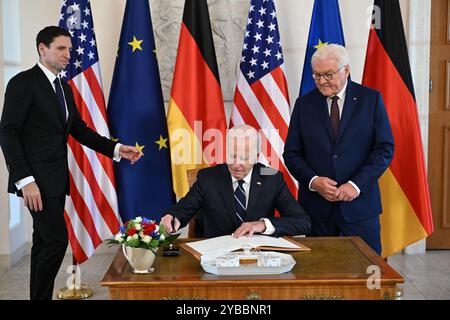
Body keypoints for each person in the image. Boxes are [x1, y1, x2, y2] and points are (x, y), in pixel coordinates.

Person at [0, 26, 143, 300]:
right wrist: (25, 181)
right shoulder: (23, 83)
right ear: (43, 49)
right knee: (55, 241)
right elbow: (8, 133)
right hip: (35, 182)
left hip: (55, 180)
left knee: (43, 242)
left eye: (69, 48)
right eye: (61, 49)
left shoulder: (63, 86)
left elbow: (79, 129)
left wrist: (116, 148)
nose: (68, 54)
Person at [283, 44, 394, 255]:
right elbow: (291, 153)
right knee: (320, 274)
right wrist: (314, 181)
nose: (322, 81)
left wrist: (355, 184)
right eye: (316, 75)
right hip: (317, 208)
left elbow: (384, 149)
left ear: (346, 70)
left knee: (366, 270)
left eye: (328, 75)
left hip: (360, 207)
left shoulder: (370, 100)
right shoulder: (304, 104)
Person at [161, 125, 311, 238]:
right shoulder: (208, 177)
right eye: (232, 156)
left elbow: (302, 222)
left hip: (257, 257)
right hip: (215, 256)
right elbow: (183, 210)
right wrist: (172, 218)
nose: (235, 164)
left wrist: (262, 225)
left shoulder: (272, 177)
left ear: (256, 156)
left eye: (244, 158)